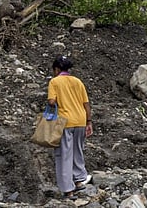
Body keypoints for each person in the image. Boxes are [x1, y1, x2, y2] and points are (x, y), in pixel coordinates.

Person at [47, 55, 93, 200]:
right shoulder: (77, 81)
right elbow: (86, 103)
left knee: (63, 155)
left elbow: (51, 101)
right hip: (80, 120)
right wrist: (89, 121)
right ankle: (79, 181)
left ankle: (68, 190)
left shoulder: (54, 82)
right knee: (77, 151)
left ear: (57, 69)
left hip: (65, 122)